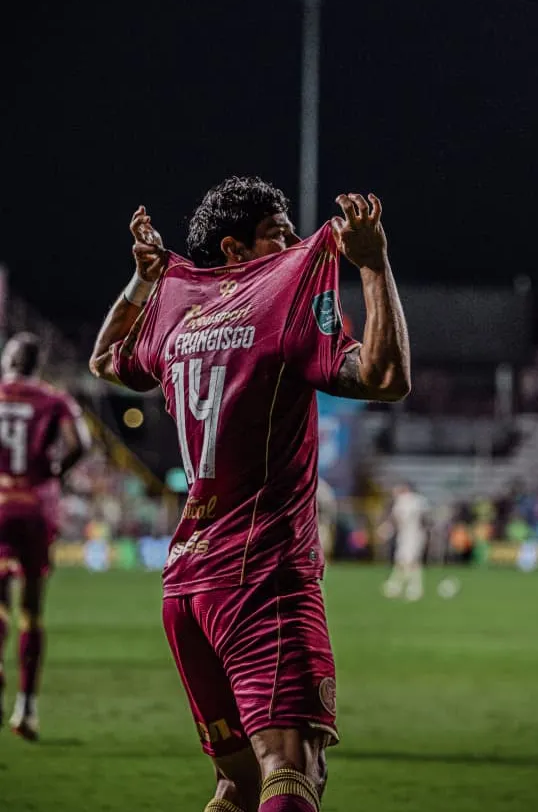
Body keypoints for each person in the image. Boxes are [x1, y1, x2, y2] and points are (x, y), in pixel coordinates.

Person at [89, 177, 410, 812]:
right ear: (235, 250)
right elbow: (386, 377)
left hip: (186, 587)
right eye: (278, 233)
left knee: (235, 785)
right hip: (263, 574)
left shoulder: (179, 312)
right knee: (293, 772)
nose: (294, 243)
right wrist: (373, 265)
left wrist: (142, 283)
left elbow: (105, 360)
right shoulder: (276, 309)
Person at [0, 332, 90, 740]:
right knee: (32, 612)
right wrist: (53, 472)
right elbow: (80, 444)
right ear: (36, 366)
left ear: (9, 361)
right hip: (36, 507)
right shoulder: (55, 399)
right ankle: (27, 710)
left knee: (0, 604)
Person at [380, 482, 429, 601]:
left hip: (409, 535)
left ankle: (410, 588)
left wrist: (385, 530)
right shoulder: (419, 500)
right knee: (405, 562)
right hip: (416, 534)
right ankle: (400, 586)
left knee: (408, 562)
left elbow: (397, 519)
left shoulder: (403, 501)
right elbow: (425, 518)